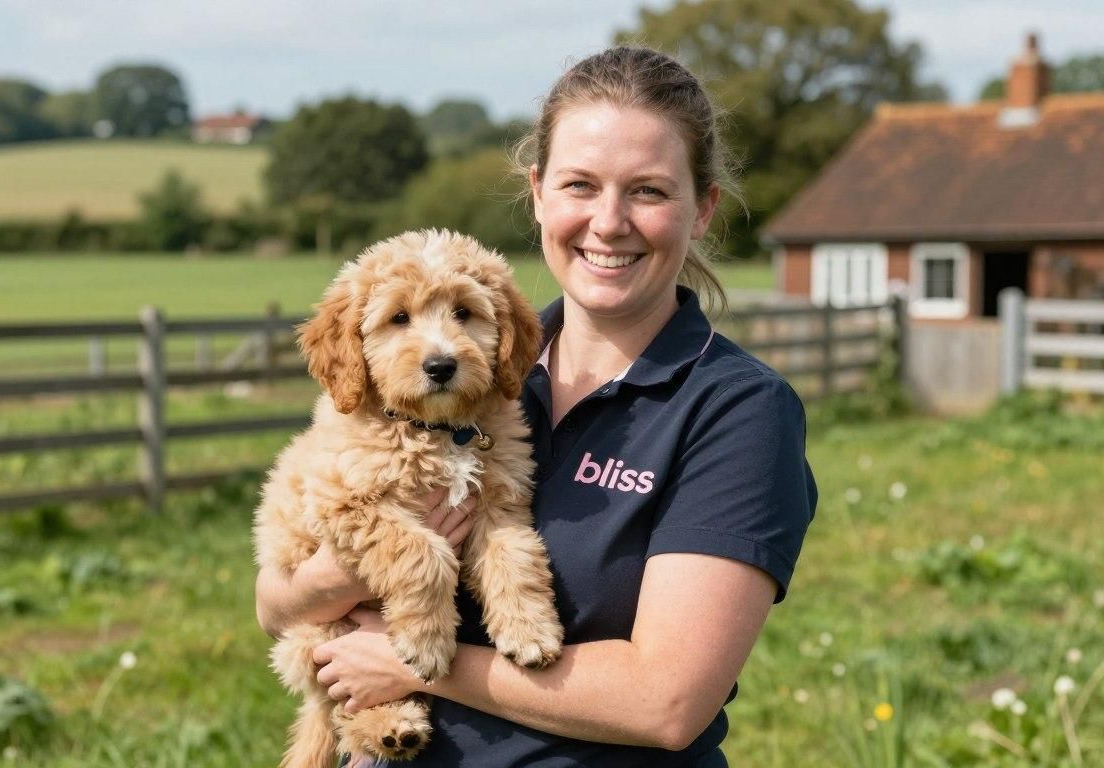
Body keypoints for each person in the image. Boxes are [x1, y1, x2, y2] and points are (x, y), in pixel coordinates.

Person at [255, 45, 818, 767]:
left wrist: (421, 664)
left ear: (703, 208)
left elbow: (669, 703)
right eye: (581, 185)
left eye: (648, 191)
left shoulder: (737, 411)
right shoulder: (484, 380)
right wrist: (335, 580)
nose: (609, 222)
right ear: (539, 194)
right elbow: (274, 605)